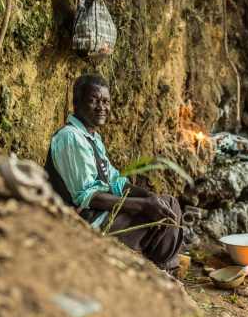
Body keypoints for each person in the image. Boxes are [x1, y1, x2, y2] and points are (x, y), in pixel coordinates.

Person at [44, 73, 183, 271]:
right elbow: (89, 197)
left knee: (165, 203)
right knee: (166, 208)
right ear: (77, 102)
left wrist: (150, 196)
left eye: (106, 101)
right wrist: (143, 206)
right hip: (88, 226)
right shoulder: (70, 137)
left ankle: (161, 270)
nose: (102, 107)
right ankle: (163, 271)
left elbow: (115, 182)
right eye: (93, 101)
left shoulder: (91, 137)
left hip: (102, 216)